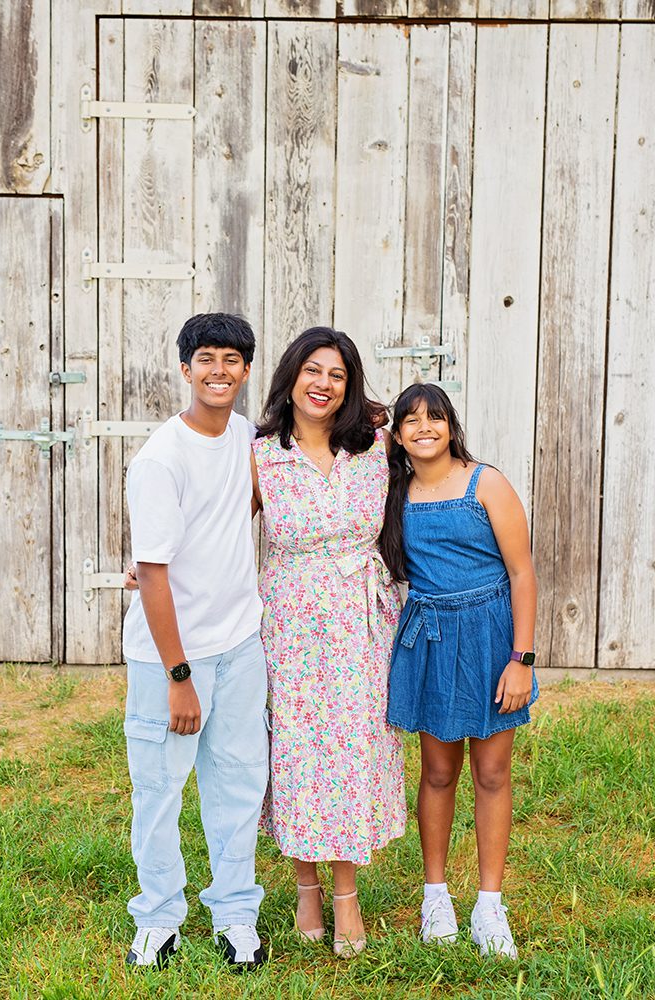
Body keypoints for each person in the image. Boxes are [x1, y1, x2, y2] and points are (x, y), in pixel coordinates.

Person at [251, 327, 407, 958]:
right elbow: (218, 527)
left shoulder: (374, 444)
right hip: (291, 622)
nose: (323, 384)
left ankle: (346, 892)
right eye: (312, 370)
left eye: (337, 374)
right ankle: (308, 887)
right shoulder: (261, 455)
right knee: (298, 749)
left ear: (351, 385)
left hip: (364, 621)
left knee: (352, 748)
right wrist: (151, 565)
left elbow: (433, 466)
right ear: (290, 377)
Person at [121, 313, 268, 970]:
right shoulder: (161, 457)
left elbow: (242, 508)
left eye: (232, 359)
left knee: (237, 781)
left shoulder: (246, 437)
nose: (219, 370)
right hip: (170, 658)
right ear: (185, 368)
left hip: (239, 643)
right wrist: (180, 675)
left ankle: (236, 914)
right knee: (159, 786)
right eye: (206, 358)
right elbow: (151, 573)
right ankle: (158, 919)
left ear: (245, 370)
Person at [378, 383, 538, 960]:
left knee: (492, 773)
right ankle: (436, 896)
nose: (425, 428)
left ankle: (489, 905)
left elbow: (522, 573)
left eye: (435, 418)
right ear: (397, 434)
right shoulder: (392, 489)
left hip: (491, 637)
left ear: (452, 425)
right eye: (411, 421)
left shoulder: (484, 482)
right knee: (438, 772)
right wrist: (379, 420)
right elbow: (354, 432)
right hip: (431, 638)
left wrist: (521, 660)